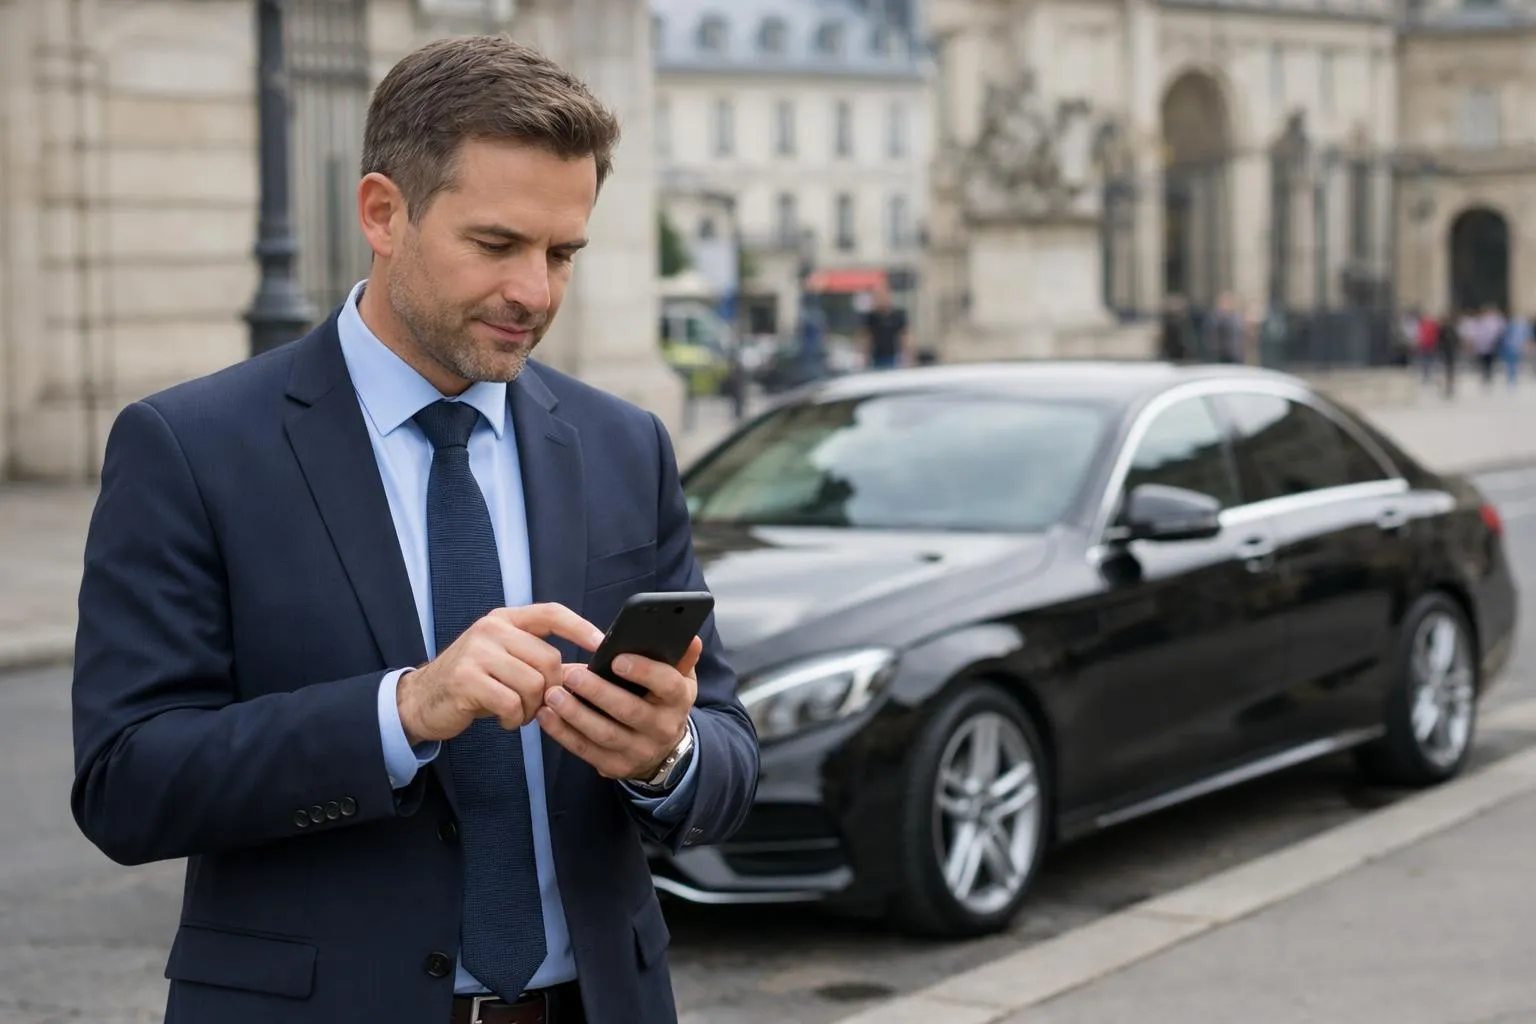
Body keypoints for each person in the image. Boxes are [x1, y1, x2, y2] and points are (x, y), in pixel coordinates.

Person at [69, 35, 759, 1024]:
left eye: (563, 252)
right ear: (383, 213)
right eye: (498, 244)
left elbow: (729, 751)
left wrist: (665, 752)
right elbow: (126, 783)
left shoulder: (623, 446)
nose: (537, 290)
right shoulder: (190, 447)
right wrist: (405, 709)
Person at [860, 282, 908, 369]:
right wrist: (865, 356)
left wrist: (907, 355)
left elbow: (904, 336)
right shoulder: (872, 317)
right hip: (876, 356)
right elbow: (867, 337)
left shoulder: (897, 316)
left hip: (894, 356)